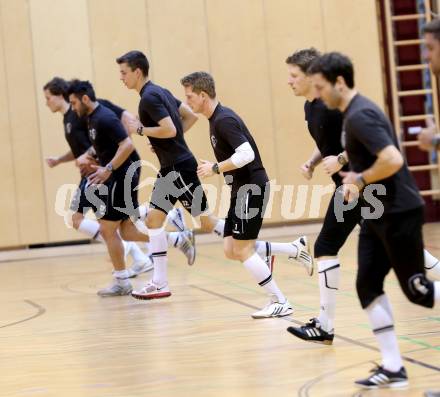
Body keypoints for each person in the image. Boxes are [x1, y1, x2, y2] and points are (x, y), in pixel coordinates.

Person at [116, 51, 313, 301]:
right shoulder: (160, 91)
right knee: (158, 221)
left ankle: (282, 277)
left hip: (178, 168)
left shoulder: (150, 99)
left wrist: (142, 130)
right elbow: (185, 118)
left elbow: (171, 127)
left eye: (123, 73)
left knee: (216, 231)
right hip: (172, 166)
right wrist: (169, 140)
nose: (121, 78)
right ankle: (161, 279)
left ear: (137, 71)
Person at [308, 52, 440, 389]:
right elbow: (366, 151)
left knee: (418, 291)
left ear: (340, 82)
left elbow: (392, 159)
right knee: (367, 285)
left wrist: (360, 180)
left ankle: (394, 365)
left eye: (321, 87)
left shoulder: (360, 116)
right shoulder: (352, 113)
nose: (319, 95)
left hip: (398, 211)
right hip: (376, 213)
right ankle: (393, 366)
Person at [179, 71, 314, 318]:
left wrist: (216, 168)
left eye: (189, 97)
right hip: (241, 191)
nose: (186, 102)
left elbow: (247, 154)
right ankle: (294, 250)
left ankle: (280, 301)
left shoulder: (224, 120)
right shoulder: (215, 120)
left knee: (242, 250)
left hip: (251, 190)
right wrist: (217, 165)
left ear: (202, 95)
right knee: (231, 249)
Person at [67, 80, 194, 296]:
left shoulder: (105, 117)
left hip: (122, 175)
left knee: (107, 229)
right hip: (116, 175)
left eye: (74, 103)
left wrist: (107, 168)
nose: (72, 108)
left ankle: (122, 281)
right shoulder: (91, 119)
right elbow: (106, 147)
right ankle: (177, 239)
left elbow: (127, 145)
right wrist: (91, 157)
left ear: (85, 99)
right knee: (127, 232)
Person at [284, 48, 361, 343]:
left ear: (311, 77)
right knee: (395, 246)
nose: (289, 82)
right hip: (351, 184)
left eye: (294, 76)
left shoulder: (333, 107)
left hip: (359, 185)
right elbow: (326, 142)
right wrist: (313, 161)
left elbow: (362, 141)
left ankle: (325, 325)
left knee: (326, 245)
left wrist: (341, 160)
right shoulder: (310, 107)